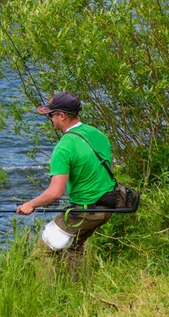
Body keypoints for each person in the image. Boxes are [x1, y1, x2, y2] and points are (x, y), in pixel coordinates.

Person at [16, 92, 117, 279]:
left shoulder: (64, 147)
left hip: (85, 211)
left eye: (50, 115)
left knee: (42, 252)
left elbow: (55, 193)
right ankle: (82, 295)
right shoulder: (97, 134)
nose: (49, 119)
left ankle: (46, 299)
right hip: (108, 208)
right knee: (75, 248)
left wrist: (31, 204)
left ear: (61, 116)